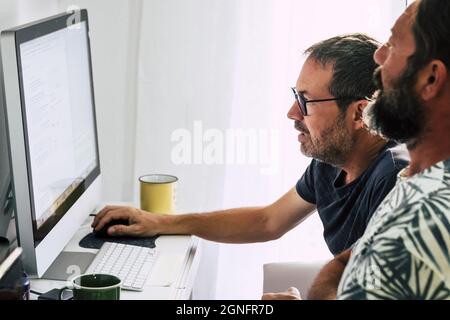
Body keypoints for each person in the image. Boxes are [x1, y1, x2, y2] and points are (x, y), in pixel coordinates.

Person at [93, 34, 408, 295]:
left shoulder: (398, 180)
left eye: (305, 101)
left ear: (358, 114)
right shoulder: (332, 161)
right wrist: (159, 222)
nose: (292, 113)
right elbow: (268, 221)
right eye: (294, 96)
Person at [308, 0, 450, 300]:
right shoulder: (414, 179)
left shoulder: (424, 222)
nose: (378, 55)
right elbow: (351, 257)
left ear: (431, 79)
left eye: (393, 45)